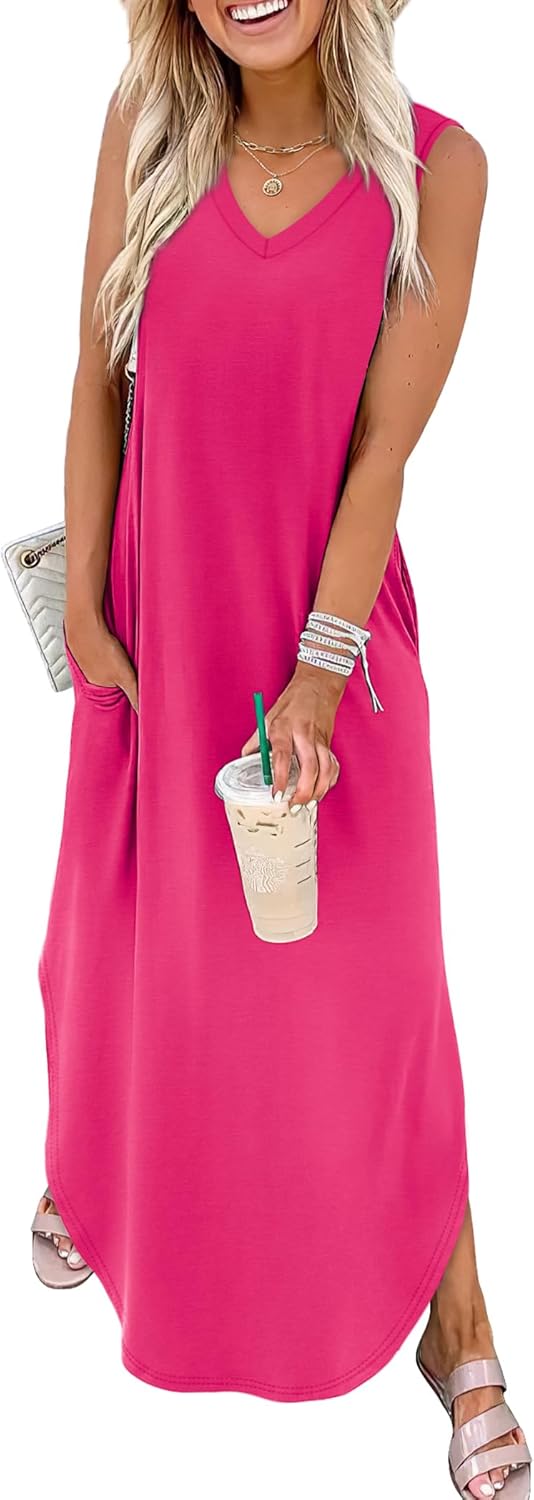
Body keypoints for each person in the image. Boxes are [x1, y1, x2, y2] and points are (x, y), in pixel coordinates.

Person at [31, 2, 530, 1497]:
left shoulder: (437, 169)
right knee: (135, 952)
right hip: (162, 635)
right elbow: (97, 377)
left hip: (331, 649)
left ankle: (457, 1324)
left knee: (375, 990)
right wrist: (85, 602)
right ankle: (93, 1179)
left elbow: (382, 451)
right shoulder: (147, 128)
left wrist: (318, 668)